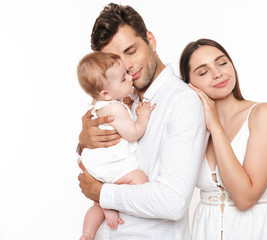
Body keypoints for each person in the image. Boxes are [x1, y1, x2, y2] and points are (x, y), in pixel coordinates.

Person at [77, 3, 207, 240]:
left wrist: (102, 192)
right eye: (116, 60)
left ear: (150, 40)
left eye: (131, 50)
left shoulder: (182, 102)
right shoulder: (122, 100)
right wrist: (83, 142)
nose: (127, 66)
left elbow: (172, 202)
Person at [179, 38, 267, 240]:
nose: (218, 73)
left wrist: (216, 128)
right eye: (203, 72)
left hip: (257, 232)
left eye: (222, 63)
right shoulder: (193, 130)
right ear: (190, 85)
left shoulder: (263, 113)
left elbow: (245, 198)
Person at [77, 51, 155, 240]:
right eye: (123, 79)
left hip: (94, 164)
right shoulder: (114, 108)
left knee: (95, 205)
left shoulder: (99, 104)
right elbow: (133, 133)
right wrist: (142, 115)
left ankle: (87, 233)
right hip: (110, 164)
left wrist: (124, 102)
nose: (130, 76)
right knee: (139, 178)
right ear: (106, 93)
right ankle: (110, 202)